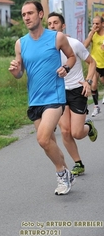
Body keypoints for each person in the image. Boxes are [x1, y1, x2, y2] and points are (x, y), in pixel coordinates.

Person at [9, 0, 77, 195]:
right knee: (49, 143)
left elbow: (71, 57)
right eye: (23, 15)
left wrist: (66, 67)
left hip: (54, 97)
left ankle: (61, 174)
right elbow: (20, 73)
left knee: (42, 139)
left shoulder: (57, 37)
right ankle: (66, 172)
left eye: (30, 13)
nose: (26, 17)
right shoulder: (20, 43)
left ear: (40, 14)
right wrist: (15, 72)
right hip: (35, 100)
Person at [47, 12, 98, 176]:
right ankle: (78, 163)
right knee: (65, 131)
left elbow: (92, 62)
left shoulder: (74, 44)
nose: (52, 26)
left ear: (63, 26)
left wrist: (88, 81)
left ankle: (88, 127)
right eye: (49, 24)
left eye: (55, 23)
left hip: (77, 90)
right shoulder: (48, 47)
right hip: (59, 92)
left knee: (76, 132)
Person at [83, 16, 104, 117]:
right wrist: (91, 33)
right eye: (94, 23)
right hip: (95, 63)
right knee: (94, 85)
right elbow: (84, 46)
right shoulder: (93, 34)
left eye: (97, 24)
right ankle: (96, 107)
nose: (95, 26)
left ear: (102, 24)